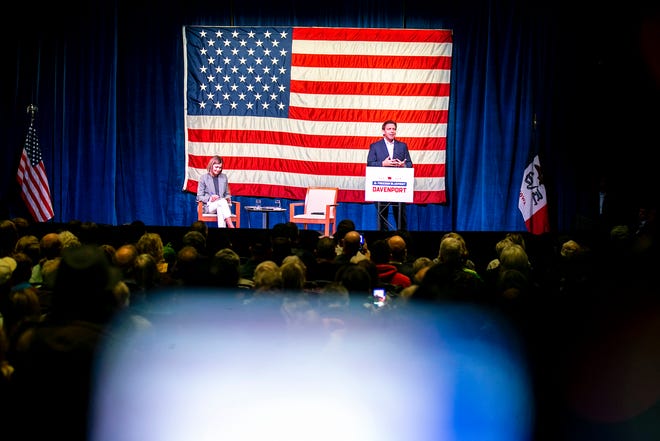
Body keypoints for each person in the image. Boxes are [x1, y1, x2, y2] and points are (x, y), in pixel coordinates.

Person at [366, 120, 413, 231]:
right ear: (383, 131)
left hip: (398, 186)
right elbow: (370, 164)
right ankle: (384, 239)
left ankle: (402, 238)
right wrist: (383, 164)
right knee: (382, 216)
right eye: (389, 129)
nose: (392, 131)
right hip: (382, 186)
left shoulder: (402, 146)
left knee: (401, 215)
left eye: (394, 129)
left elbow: (410, 164)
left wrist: (403, 165)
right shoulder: (375, 146)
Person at [196, 155, 235, 228]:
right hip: (208, 206)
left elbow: (227, 193)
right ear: (211, 166)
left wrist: (228, 198)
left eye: (220, 167)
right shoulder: (203, 178)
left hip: (221, 205)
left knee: (221, 206)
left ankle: (222, 235)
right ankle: (230, 225)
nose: (218, 169)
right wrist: (210, 198)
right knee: (222, 202)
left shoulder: (224, 177)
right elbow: (199, 197)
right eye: (216, 167)